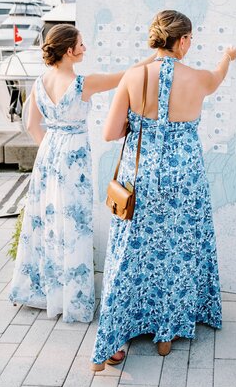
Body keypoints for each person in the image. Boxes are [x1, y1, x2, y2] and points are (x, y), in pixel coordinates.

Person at [91, 10, 236, 370]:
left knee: (131, 252)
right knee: (179, 250)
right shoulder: (199, 78)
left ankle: (118, 337)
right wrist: (228, 57)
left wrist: (138, 118)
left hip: (138, 177)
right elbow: (218, 76)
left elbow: (110, 133)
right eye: (190, 38)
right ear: (183, 40)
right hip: (185, 177)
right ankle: (166, 334)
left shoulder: (133, 76)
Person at [9, 23, 156, 323]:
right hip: (73, 159)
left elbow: (31, 125)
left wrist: (51, 149)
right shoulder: (81, 84)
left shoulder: (39, 83)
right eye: (81, 44)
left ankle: (41, 291)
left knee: (47, 220)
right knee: (73, 224)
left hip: (49, 154)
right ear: (68, 51)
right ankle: (72, 300)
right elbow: (124, 77)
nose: (85, 48)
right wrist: (152, 58)